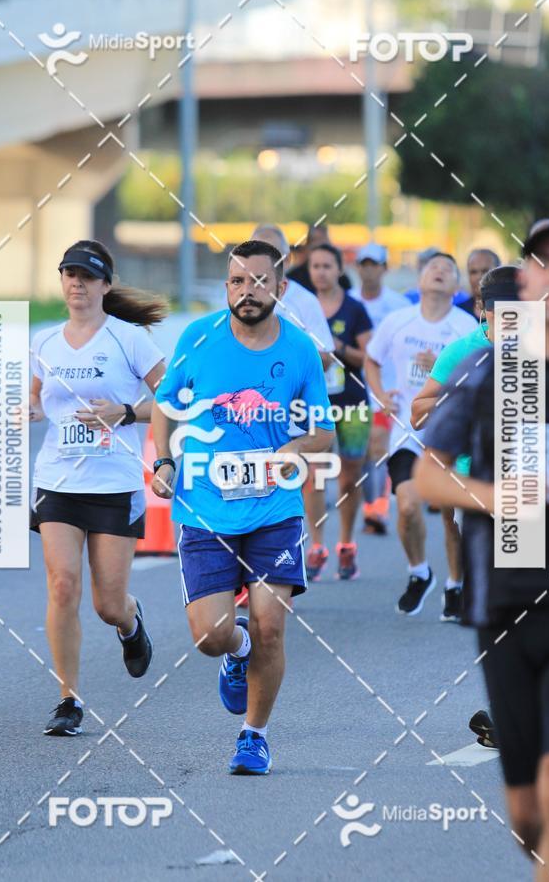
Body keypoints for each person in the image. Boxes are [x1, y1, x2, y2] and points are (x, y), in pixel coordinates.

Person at [151, 239, 334, 774]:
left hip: (275, 509)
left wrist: (295, 448)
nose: (247, 291)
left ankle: (254, 735)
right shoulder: (198, 338)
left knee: (271, 627)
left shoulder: (299, 348)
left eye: (259, 281)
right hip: (205, 507)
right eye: (237, 281)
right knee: (210, 635)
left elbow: (323, 431)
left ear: (280, 287)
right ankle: (235, 651)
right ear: (225, 286)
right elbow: (164, 406)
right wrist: (163, 461)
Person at [415, 218, 549, 879]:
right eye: (545, 264)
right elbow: (426, 475)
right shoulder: (501, 374)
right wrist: (499, 498)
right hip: (507, 596)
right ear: (525, 281)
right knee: (528, 812)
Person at [29, 240, 166, 736]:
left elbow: (175, 400)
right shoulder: (44, 342)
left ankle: (131, 624)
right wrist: (34, 407)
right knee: (62, 584)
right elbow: (37, 394)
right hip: (58, 480)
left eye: (87, 276)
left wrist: (125, 412)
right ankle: (69, 698)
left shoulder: (129, 340)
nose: (76, 283)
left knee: (108, 603)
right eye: (69, 274)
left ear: (106, 285)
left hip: (115, 483)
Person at [364, 252, 477, 616]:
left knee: (450, 514)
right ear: (419, 281)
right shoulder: (397, 321)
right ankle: (419, 572)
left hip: (453, 432)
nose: (440, 271)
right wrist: (381, 395)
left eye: (448, 268)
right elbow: (371, 359)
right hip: (407, 430)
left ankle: (455, 584)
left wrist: (443, 370)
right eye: (433, 267)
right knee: (408, 504)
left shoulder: (466, 329)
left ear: (457, 287)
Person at [410, 265, 519, 621]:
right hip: (473, 477)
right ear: (481, 310)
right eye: (499, 310)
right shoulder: (461, 353)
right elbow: (418, 412)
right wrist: (461, 401)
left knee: (523, 571)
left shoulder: (545, 349)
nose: (509, 318)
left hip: (529, 473)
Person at [303, 243, 373, 580]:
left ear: (339, 270)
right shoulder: (299, 308)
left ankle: (347, 544)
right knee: (313, 475)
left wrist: (336, 348)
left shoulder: (355, 309)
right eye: (315, 266)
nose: (320, 272)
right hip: (314, 405)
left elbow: (369, 357)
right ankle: (317, 547)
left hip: (353, 403)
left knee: (349, 475)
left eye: (327, 266)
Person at [350, 243, 408, 535]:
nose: (369, 269)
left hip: (387, 388)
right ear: (357, 267)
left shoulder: (399, 306)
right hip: (353, 390)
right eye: (364, 263)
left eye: (375, 264)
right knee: (358, 456)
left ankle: (378, 511)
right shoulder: (348, 302)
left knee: (379, 450)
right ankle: (369, 506)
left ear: (384, 268)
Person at [251, 224, 334, 370]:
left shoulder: (306, 301)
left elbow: (325, 358)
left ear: (287, 259)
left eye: (271, 255)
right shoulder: (235, 297)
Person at [288, 223, 351, 293]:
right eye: (318, 240)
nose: (322, 244)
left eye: (325, 240)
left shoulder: (342, 278)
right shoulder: (294, 278)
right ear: (308, 245)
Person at [458, 248, 501, 317]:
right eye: (473, 272)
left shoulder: (511, 311)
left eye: (485, 271)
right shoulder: (459, 312)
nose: (479, 277)